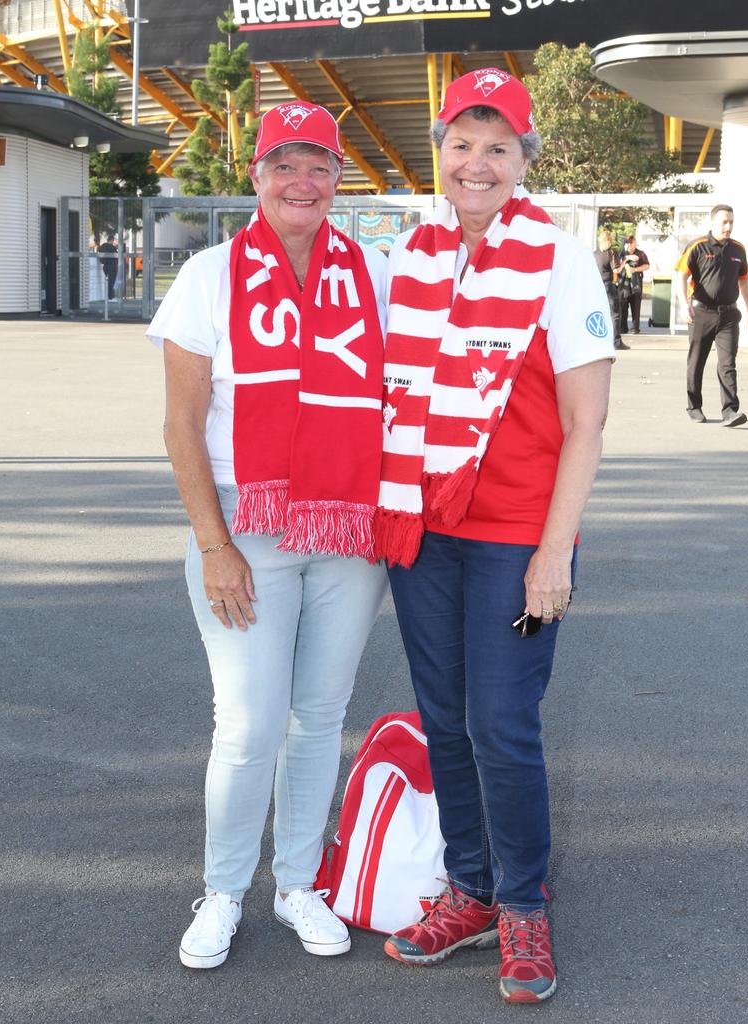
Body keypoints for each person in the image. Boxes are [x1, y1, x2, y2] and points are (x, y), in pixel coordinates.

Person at [373, 68, 614, 1004]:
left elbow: (587, 425)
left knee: (502, 725)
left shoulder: (560, 259)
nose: (477, 163)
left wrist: (557, 551)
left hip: (518, 537)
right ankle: (469, 888)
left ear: (522, 162)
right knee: (444, 720)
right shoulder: (413, 255)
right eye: (461, 144)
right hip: (426, 531)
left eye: (497, 146)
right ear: (440, 154)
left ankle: (523, 902)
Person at [146, 102, 389, 969]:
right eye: (285, 164)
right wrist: (214, 546)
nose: (303, 181)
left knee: (319, 718)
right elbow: (180, 425)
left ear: (336, 180)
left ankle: (297, 885)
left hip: (347, 531)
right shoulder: (209, 275)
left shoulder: (375, 276)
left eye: (319, 165)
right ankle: (221, 892)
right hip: (243, 525)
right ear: (255, 176)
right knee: (249, 724)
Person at [676, 204, 748, 426]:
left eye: (731, 222)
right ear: (713, 223)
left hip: (729, 315)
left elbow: (745, 281)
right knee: (696, 361)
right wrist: (684, 304)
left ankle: (730, 411)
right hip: (701, 312)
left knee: (728, 363)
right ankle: (694, 407)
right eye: (724, 222)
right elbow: (680, 276)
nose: (728, 226)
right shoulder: (698, 247)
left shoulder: (738, 249)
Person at [594, 229, 627, 349]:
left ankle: (600, 340)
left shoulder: (594, 253)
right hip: (608, 285)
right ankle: (616, 342)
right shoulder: (611, 253)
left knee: (600, 313)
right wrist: (625, 261)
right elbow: (616, 270)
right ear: (609, 240)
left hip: (597, 286)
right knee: (615, 313)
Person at [617, 235, 649, 334]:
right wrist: (627, 258)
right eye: (628, 243)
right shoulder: (621, 254)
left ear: (635, 243)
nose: (630, 245)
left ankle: (635, 328)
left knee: (636, 306)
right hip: (623, 284)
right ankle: (623, 328)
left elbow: (647, 266)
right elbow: (617, 267)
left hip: (636, 283)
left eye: (632, 243)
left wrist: (635, 269)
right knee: (623, 306)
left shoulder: (641, 254)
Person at [98, 233, 118, 300]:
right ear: (112, 240)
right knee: (111, 282)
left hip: (104, 267)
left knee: (105, 282)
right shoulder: (113, 247)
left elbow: (100, 256)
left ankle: (104, 295)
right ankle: (110, 296)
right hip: (112, 267)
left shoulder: (102, 246)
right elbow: (116, 257)